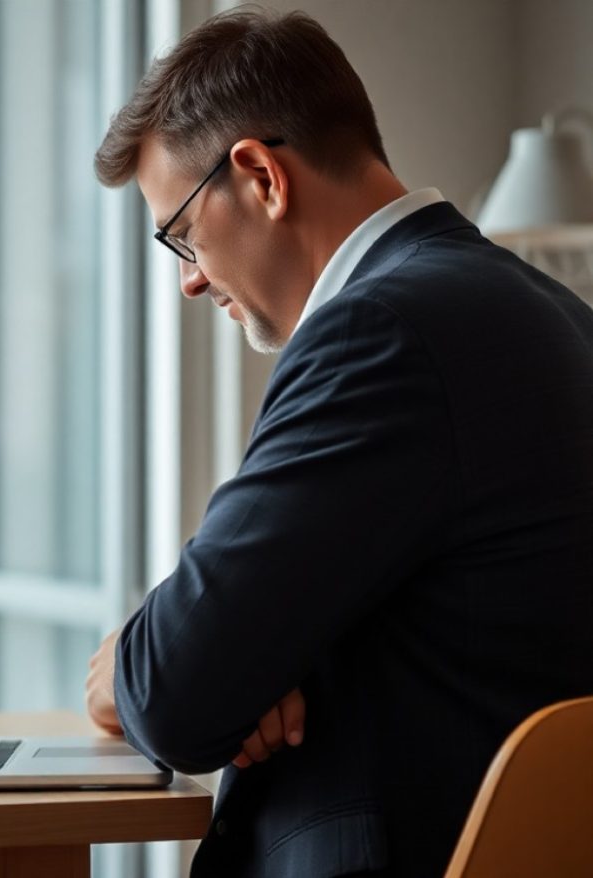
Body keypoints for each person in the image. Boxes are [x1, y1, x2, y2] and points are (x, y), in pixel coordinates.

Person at [83, 8, 593, 878]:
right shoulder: (552, 314)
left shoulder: (380, 333)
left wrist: (125, 667)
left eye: (182, 234)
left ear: (260, 176)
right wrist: (258, 654)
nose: (190, 279)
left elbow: (173, 691)